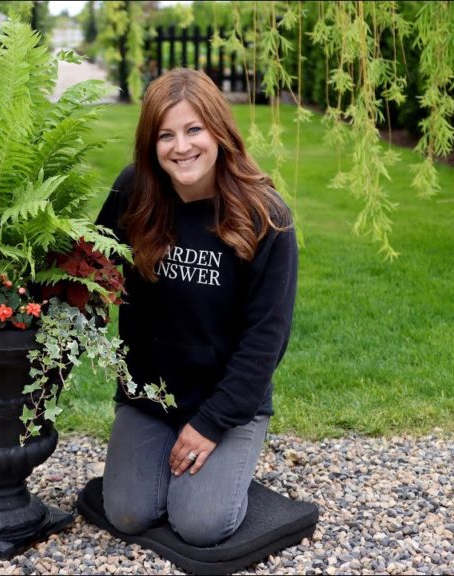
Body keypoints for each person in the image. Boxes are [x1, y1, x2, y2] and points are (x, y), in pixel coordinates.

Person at [95, 68, 298, 547]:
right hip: (149, 396)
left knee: (201, 525)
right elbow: (89, 273)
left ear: (219, 133)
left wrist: (209, 424)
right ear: (151, 144)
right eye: (166, 135)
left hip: (226, 401)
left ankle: (218, 476)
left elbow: (266, 339)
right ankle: (174, 473)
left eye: (193, 130)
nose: (180, 147)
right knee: (127, 513)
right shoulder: (135, 192)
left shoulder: (265, 216)